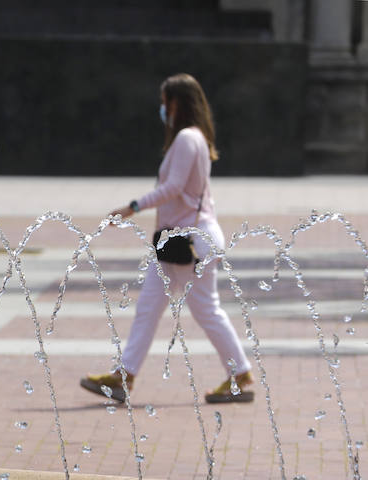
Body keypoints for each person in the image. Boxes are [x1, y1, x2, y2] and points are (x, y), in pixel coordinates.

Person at [80, 73, 253, 404]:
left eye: (164, 103)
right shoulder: (193, 138)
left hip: (189, 243)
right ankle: (124, 375)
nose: (162, 110)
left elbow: (173, 187)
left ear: (176, 103)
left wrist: (132, 207)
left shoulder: (188, 138)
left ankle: (239, 372)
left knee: (205, 310)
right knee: (150, 307)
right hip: (178, 243)